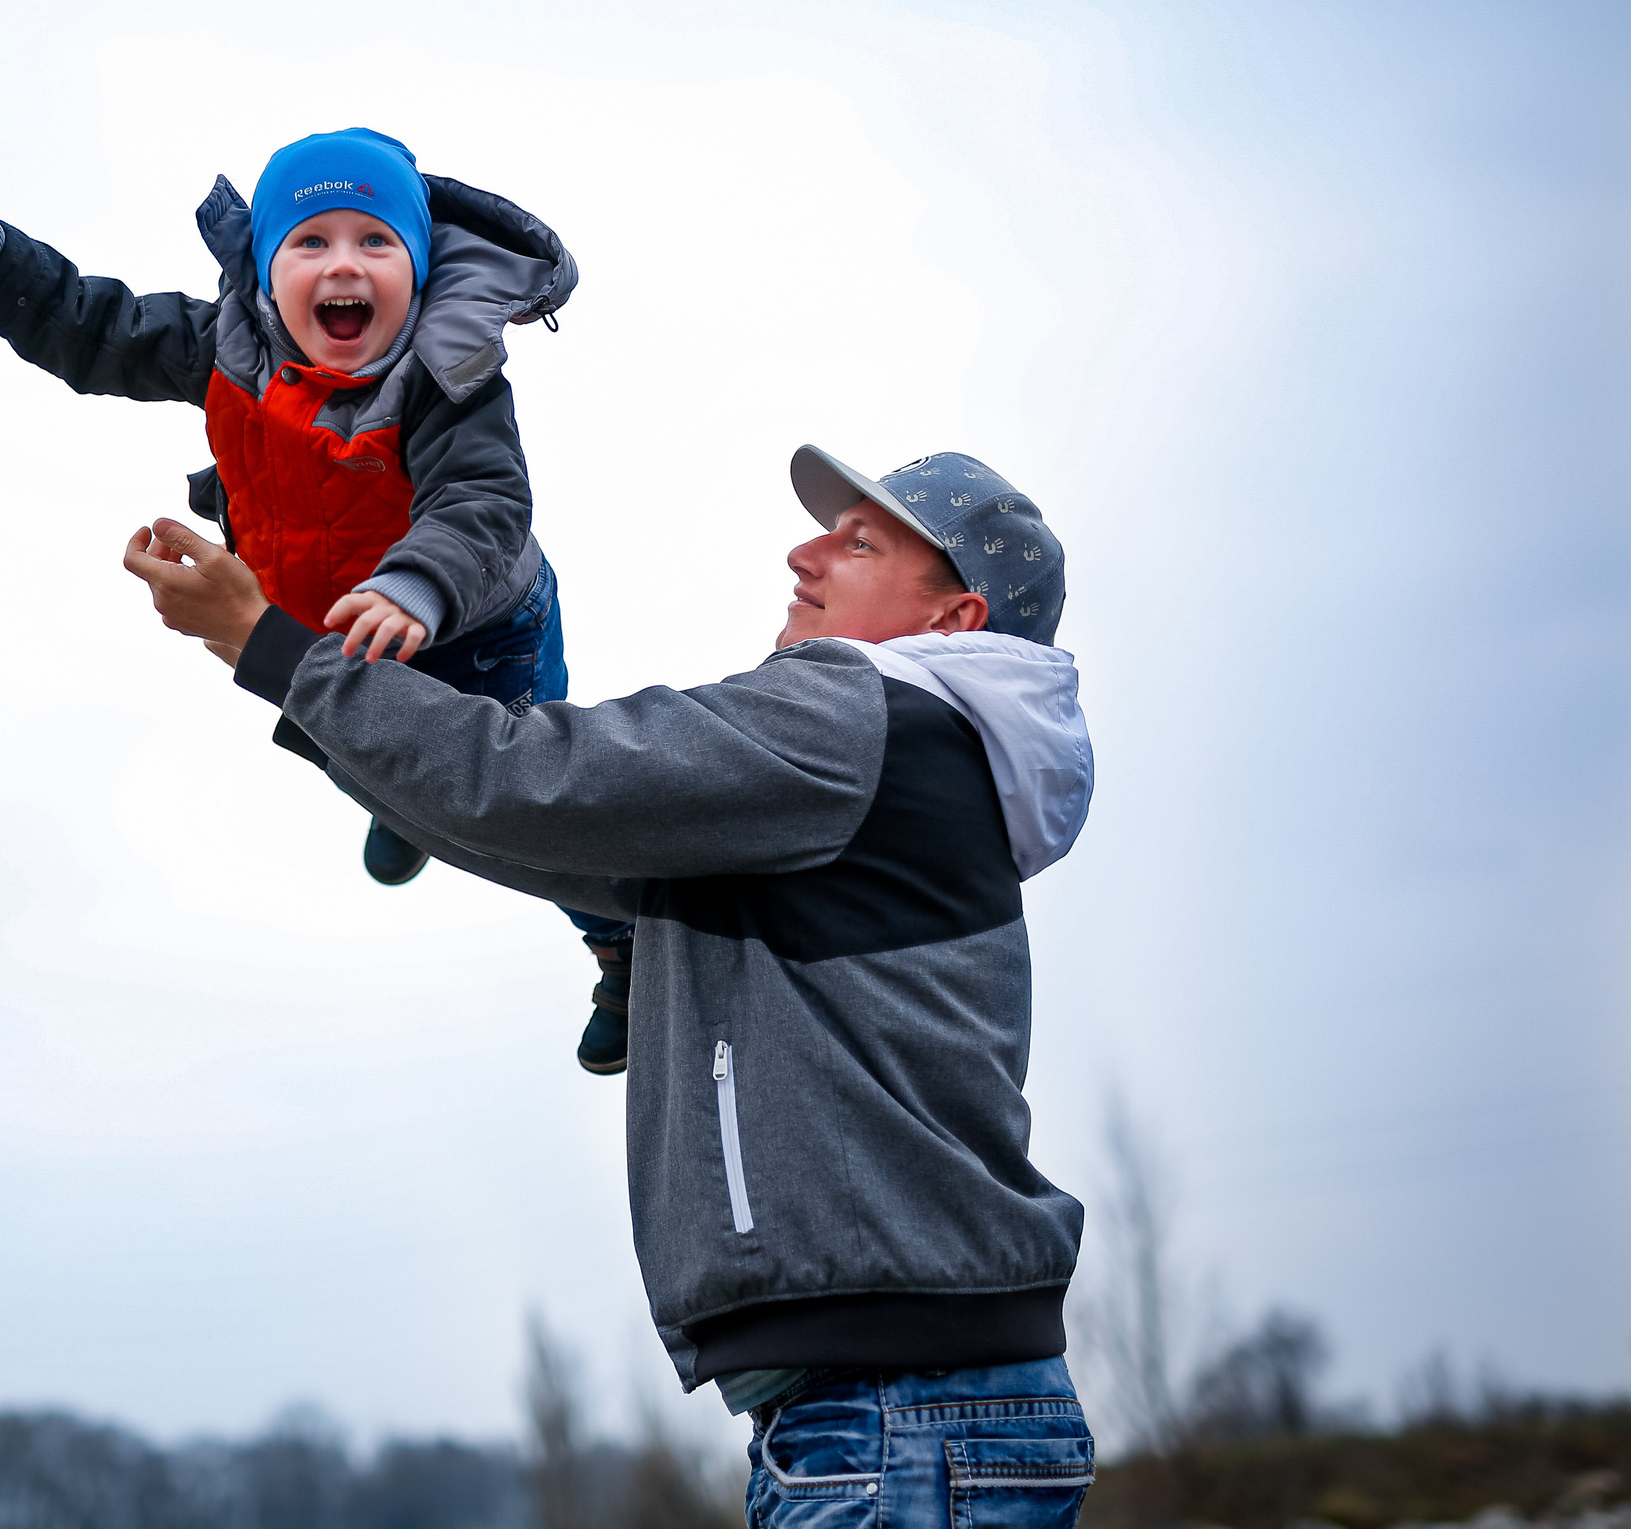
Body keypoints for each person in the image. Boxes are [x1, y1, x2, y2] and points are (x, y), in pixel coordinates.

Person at [122, 445, 1100, 1529]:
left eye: (859, 542)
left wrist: (276, 648)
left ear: (955, 620)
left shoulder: (865, 715)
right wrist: (308, 683)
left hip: (897, 1416)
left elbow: (536, 782)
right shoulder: (889, 759)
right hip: (898, 1414)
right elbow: (549, 833)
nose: (805, 549)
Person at [0, 128, 638, 1073]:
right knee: (367, 746)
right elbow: (99, 332)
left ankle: (616, 943)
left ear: (418, 273)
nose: (344, 264)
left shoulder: (447, 376)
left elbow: (483, 502)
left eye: (375, 242)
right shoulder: (222, 344)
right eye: (311, 242)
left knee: (521, 805)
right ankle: (401, 802)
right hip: (329, 626)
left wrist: (416, 586)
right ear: (266, 271)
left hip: (476, 627)